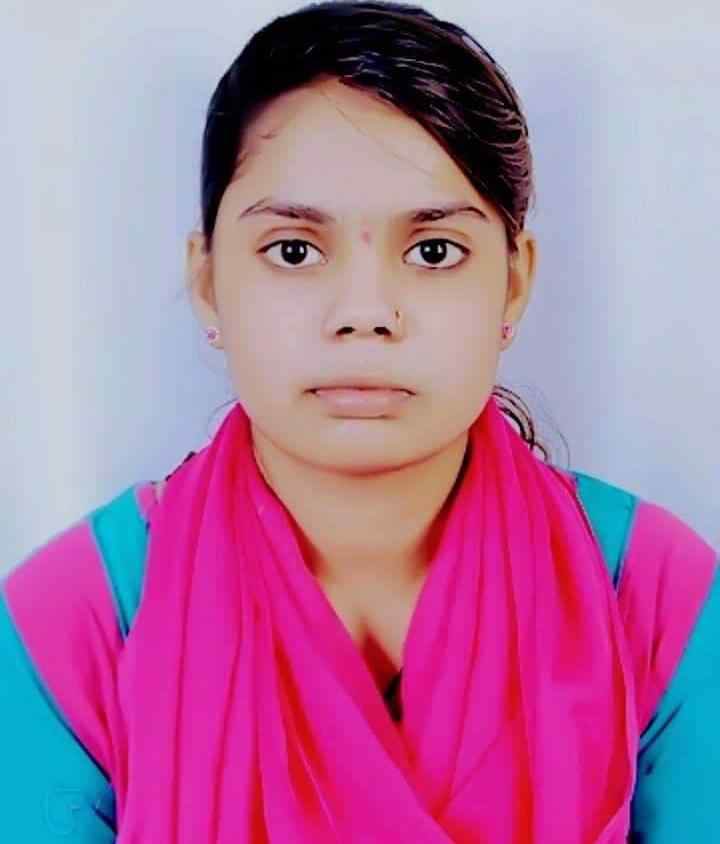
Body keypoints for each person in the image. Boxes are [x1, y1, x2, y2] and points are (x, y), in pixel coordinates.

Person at [1, 2, 717, 841]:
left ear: (514, 282)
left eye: (434, 251)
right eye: (295, 250)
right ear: (209, 282)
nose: (365, 312)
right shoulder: (68, 625)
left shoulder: (660, 598)